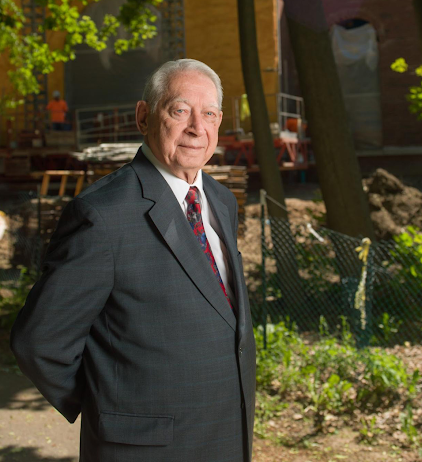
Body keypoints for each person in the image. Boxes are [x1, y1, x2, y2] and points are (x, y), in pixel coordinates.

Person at [10, 59, 256, 462]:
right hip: (143, 449)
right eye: (179, 111)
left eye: (208, 114)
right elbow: (40, 341)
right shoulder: (103, 215)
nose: (197, 127)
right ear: (144, 116)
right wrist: (110, 408)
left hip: (225, 438)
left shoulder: (221, 202)